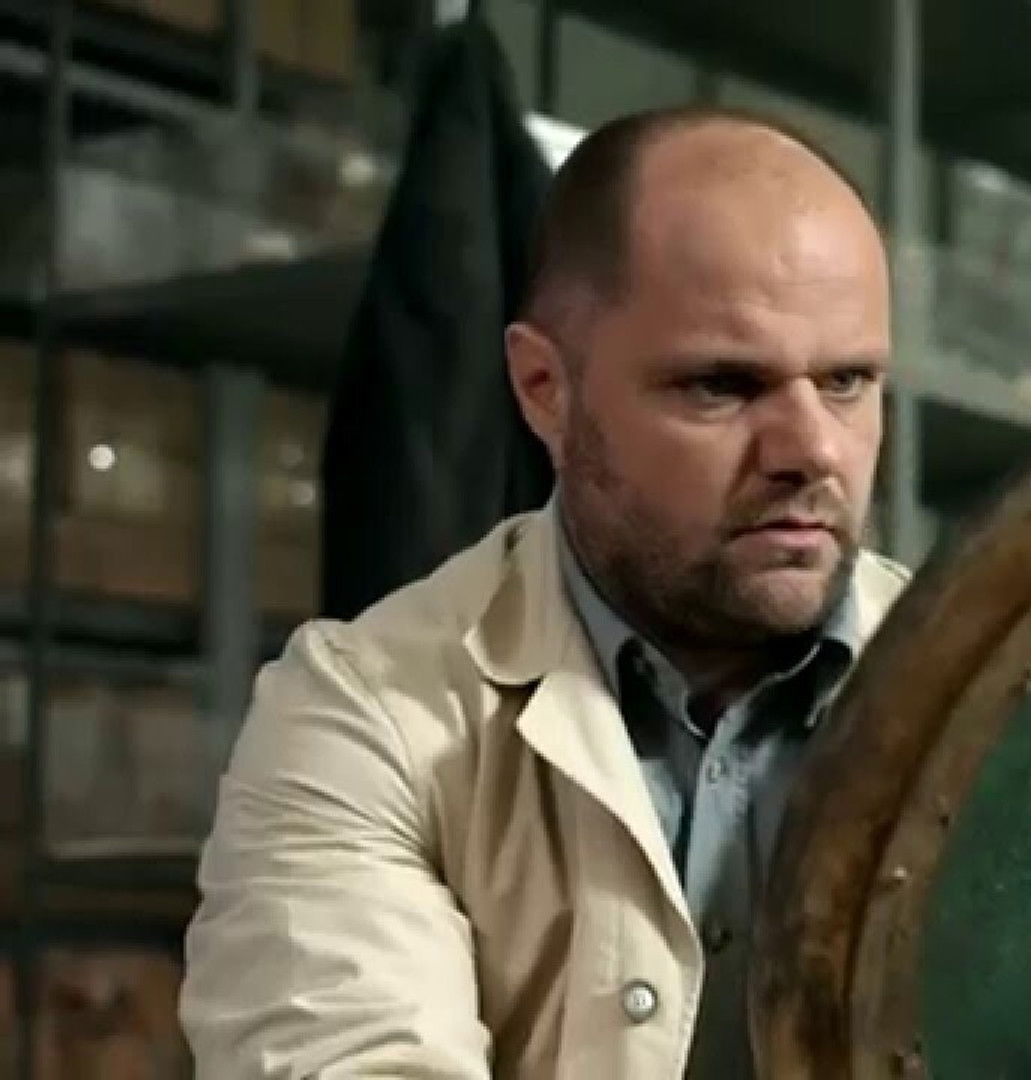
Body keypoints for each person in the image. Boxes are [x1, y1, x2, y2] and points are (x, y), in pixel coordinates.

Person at [179, 105, 910, 1078]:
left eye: (849, 381)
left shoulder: (1005, 693)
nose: (813, 449)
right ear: (543, 388)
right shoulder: (367, 714)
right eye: (722, 386)